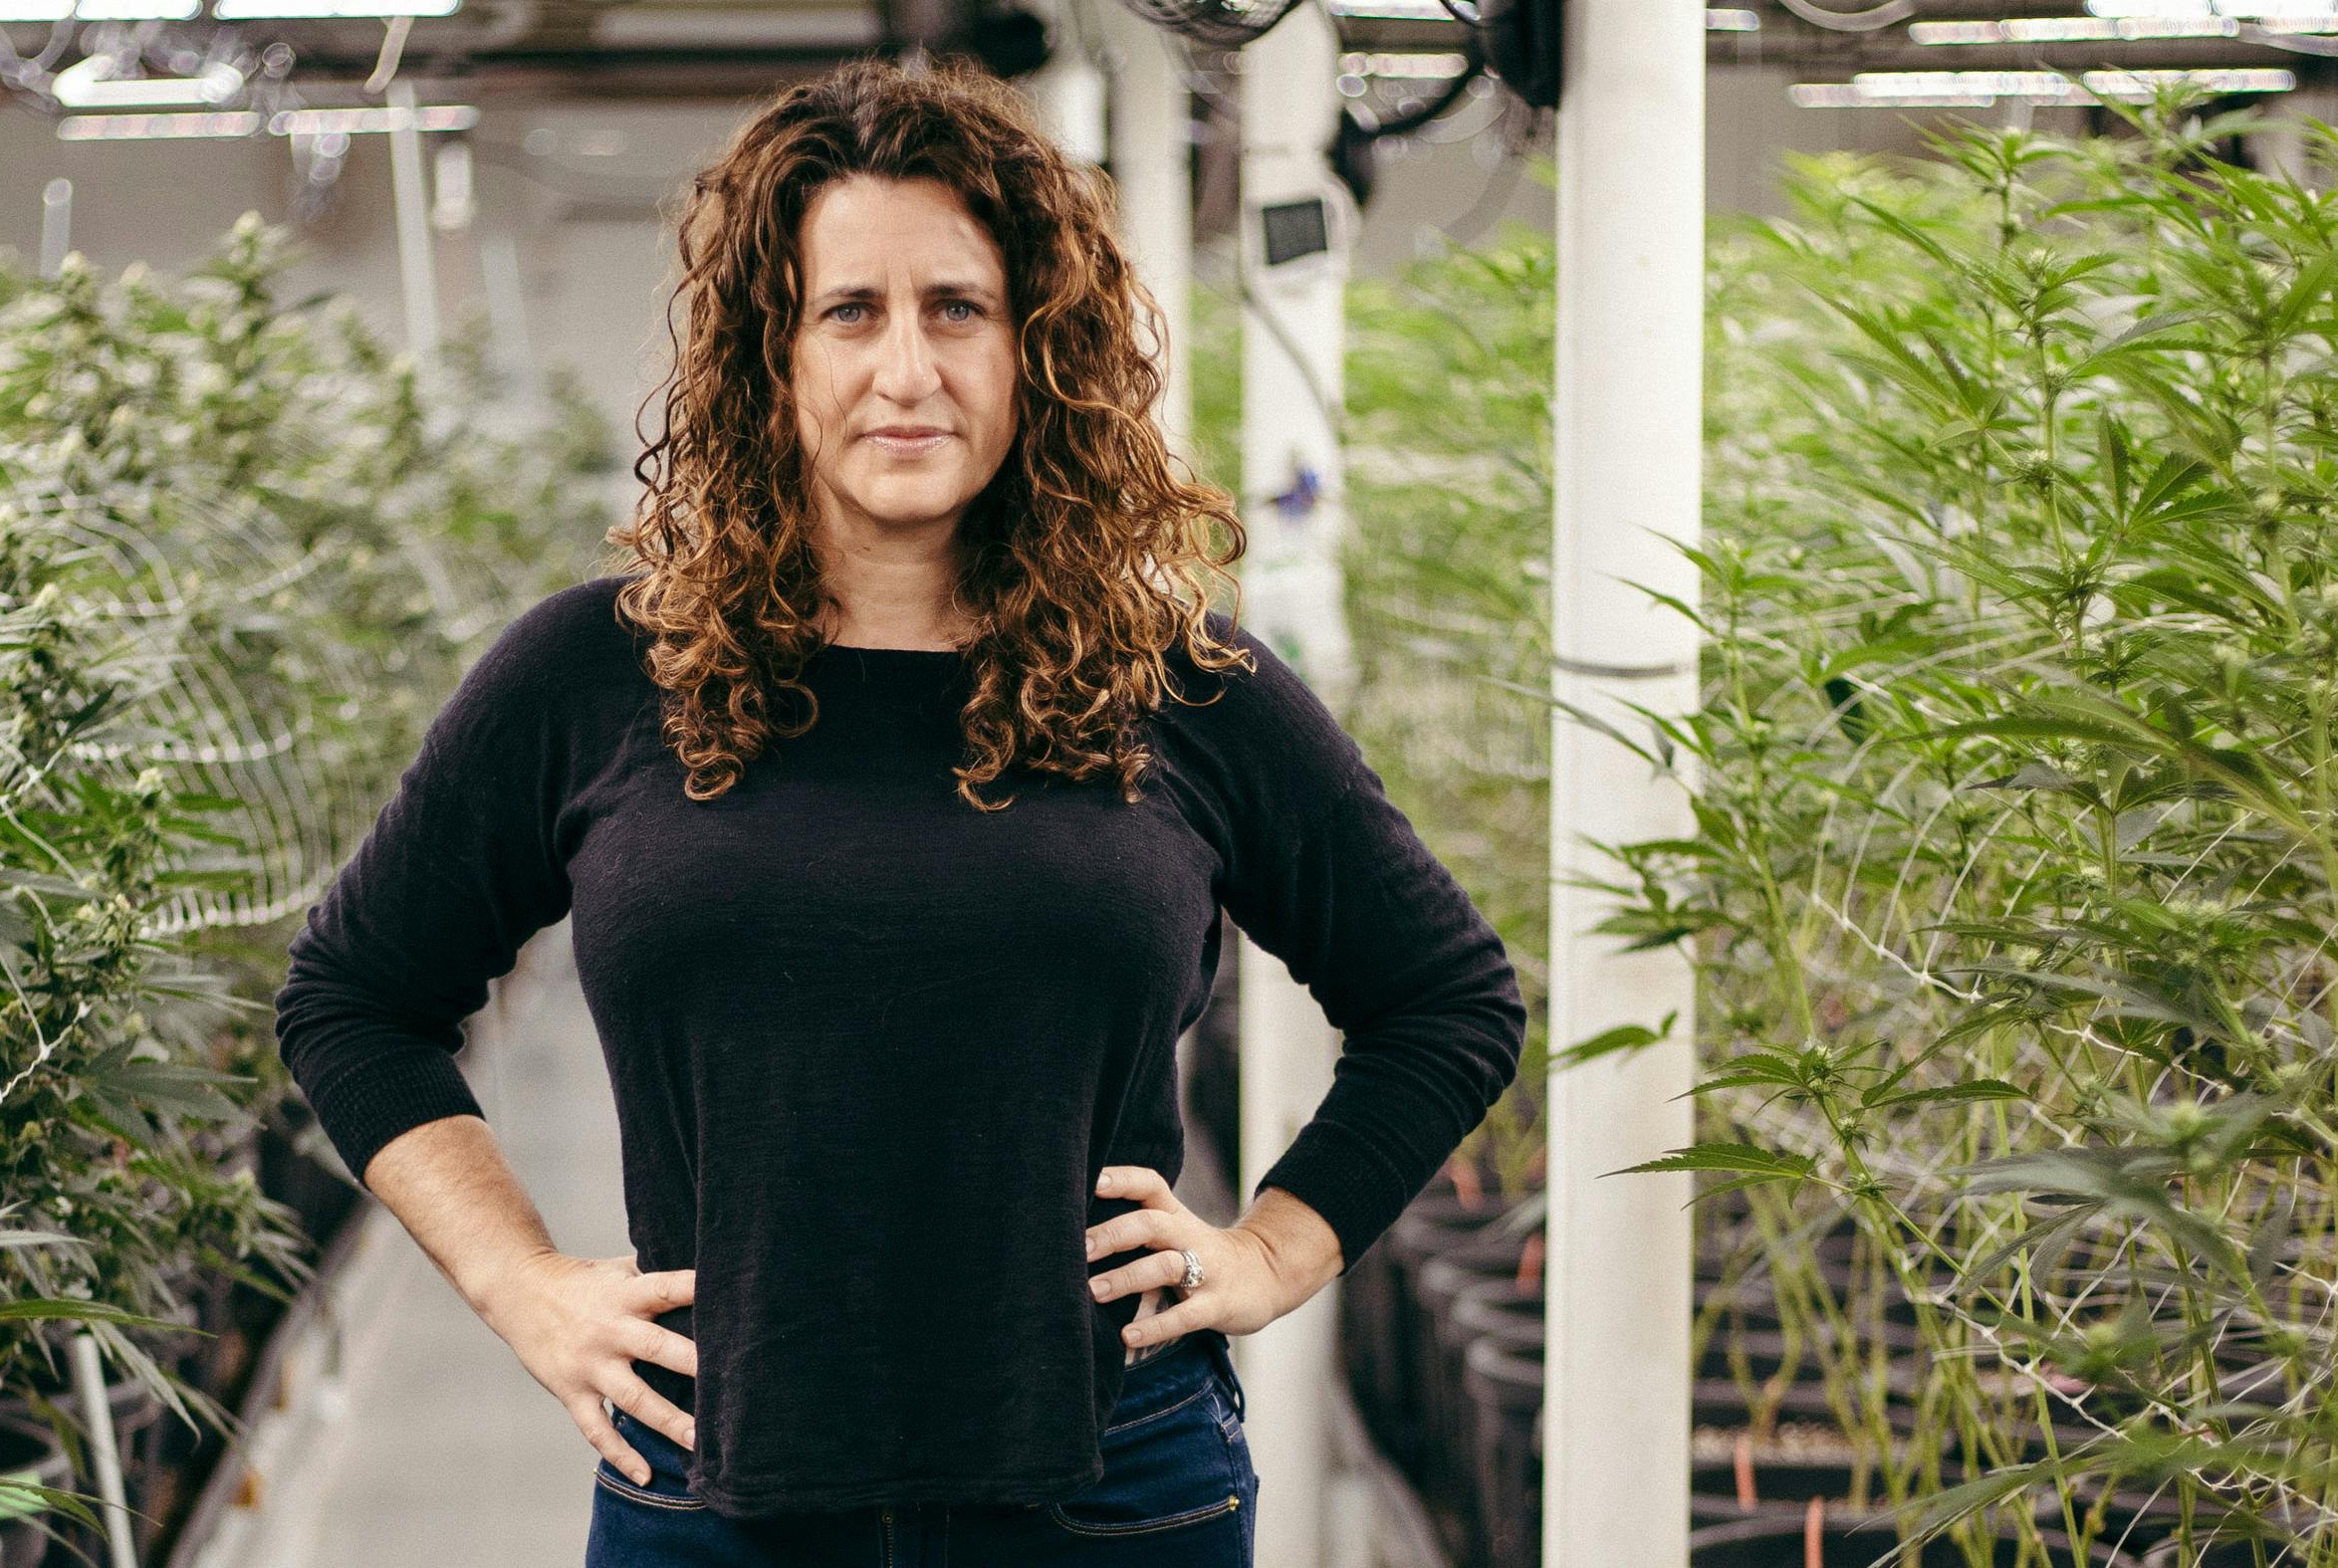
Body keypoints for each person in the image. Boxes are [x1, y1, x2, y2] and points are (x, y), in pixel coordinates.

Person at [271, 56, 1526, 1566]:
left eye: (960, 308)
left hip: (1111, 1490)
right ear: (773, 353)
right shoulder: (596, 675)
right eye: (850, 311)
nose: (909, 370)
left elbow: (1446, 997)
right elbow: (355, 998)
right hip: (712, 1489)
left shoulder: (1179, 684)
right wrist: (522, 1285)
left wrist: (1273, 1246)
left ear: (1038, 347)